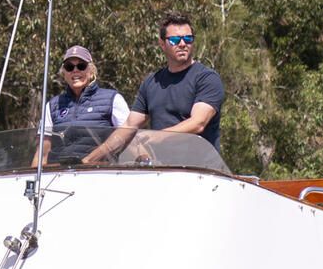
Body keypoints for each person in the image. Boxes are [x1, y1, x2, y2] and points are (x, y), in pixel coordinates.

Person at [95, 13, 226, 162]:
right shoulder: (152, 82)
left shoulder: (207, 78)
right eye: (175, 40)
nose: (182, 44)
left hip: (200, 172)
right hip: (162, 172)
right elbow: (129, 126)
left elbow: (198, 123)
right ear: (162, 44)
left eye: (188, 39)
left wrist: (155, 136)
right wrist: (90, 159)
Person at [36, 45, 129, 166]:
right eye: (69, 67)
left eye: (81, 66)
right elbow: (42, 153)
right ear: (64, 73)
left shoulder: (113, 99)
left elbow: (129, 135)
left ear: (91, 71)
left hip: (98, 174)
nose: (75, 70)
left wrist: (144, 159)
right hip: (58, 176)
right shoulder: (52, 105)